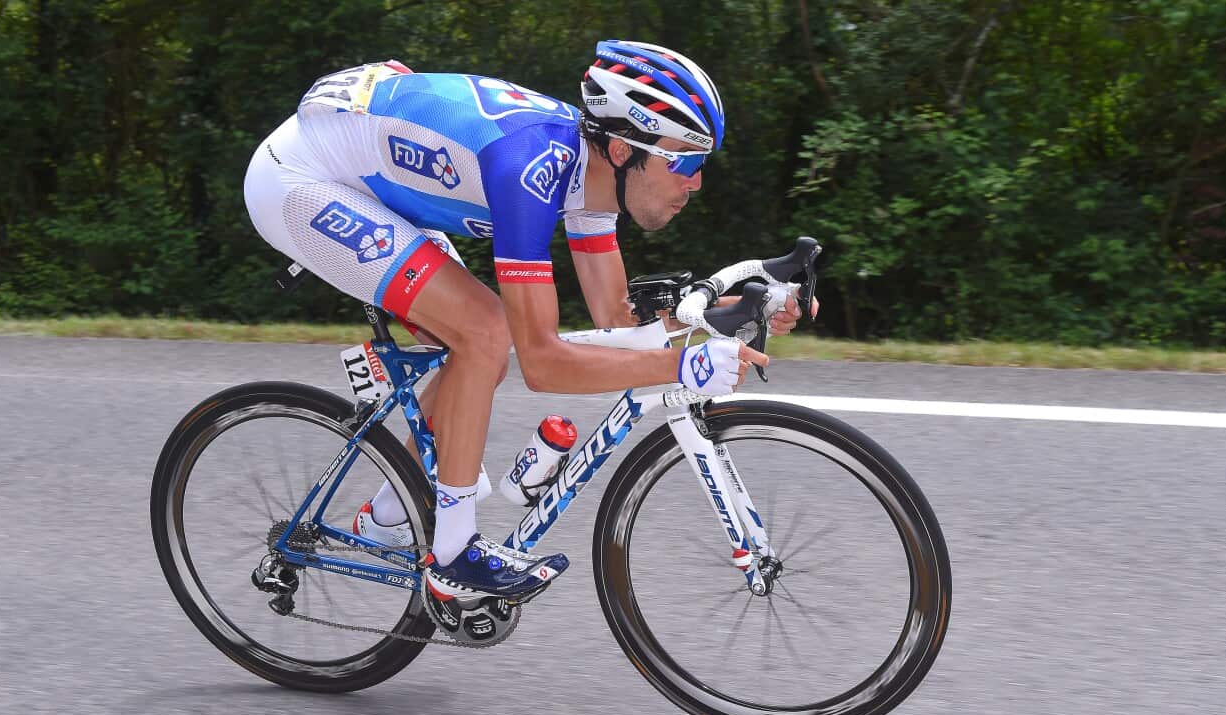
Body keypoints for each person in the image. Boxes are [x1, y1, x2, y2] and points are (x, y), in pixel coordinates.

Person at [243, 40, 814, 611]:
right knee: (486, 331)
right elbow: (541, 363)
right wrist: (684, 363)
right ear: (621, 149)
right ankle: (452, 555)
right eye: (684, 162)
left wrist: (734, 317)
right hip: (299, 180)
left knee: (476, 353)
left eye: (701, 164)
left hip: (375, 174)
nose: (695, 183)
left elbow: (619, 321)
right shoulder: (530, 170)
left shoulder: (591, 183)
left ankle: (389, 515)